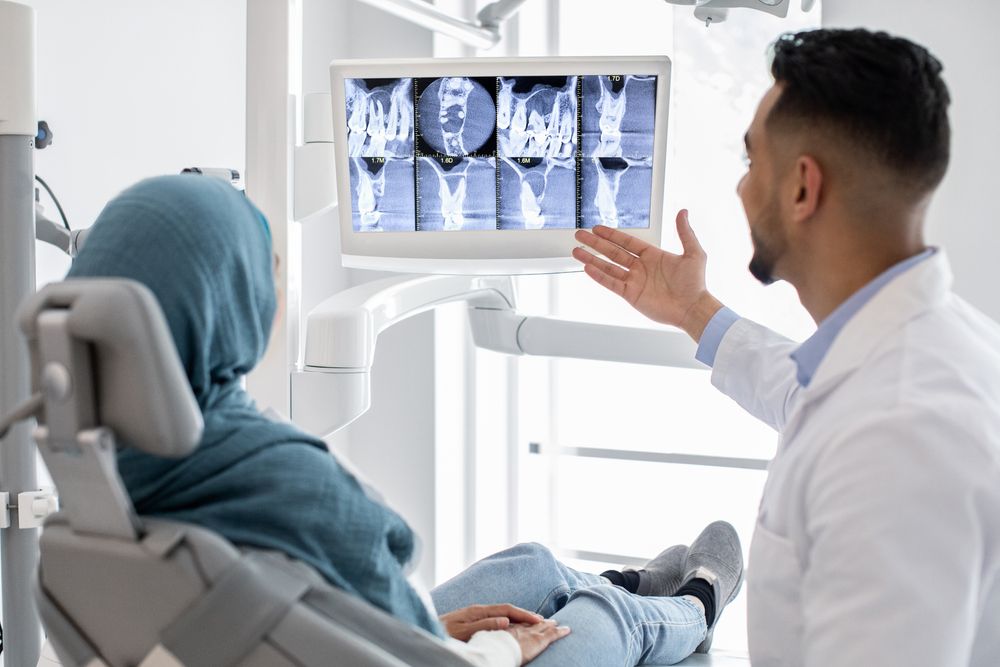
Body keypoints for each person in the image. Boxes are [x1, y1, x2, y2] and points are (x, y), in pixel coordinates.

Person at [67, 173, 743, 666]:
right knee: (596, 622)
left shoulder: (98, 466)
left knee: (531, 564)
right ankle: (694, 604)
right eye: (263, 266)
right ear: (221, 302)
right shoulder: (282, 479)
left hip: (277, 641)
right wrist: (502, 648)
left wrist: (429, 626)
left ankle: (622, 583)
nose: (277, 286)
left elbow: (306, 616)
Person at [574, 28, 1000, 666]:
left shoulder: (901, 436)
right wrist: (694, 310)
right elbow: (811, 393)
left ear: (803, 188)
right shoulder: (926, 347)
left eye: (752, 163)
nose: (741, 190)